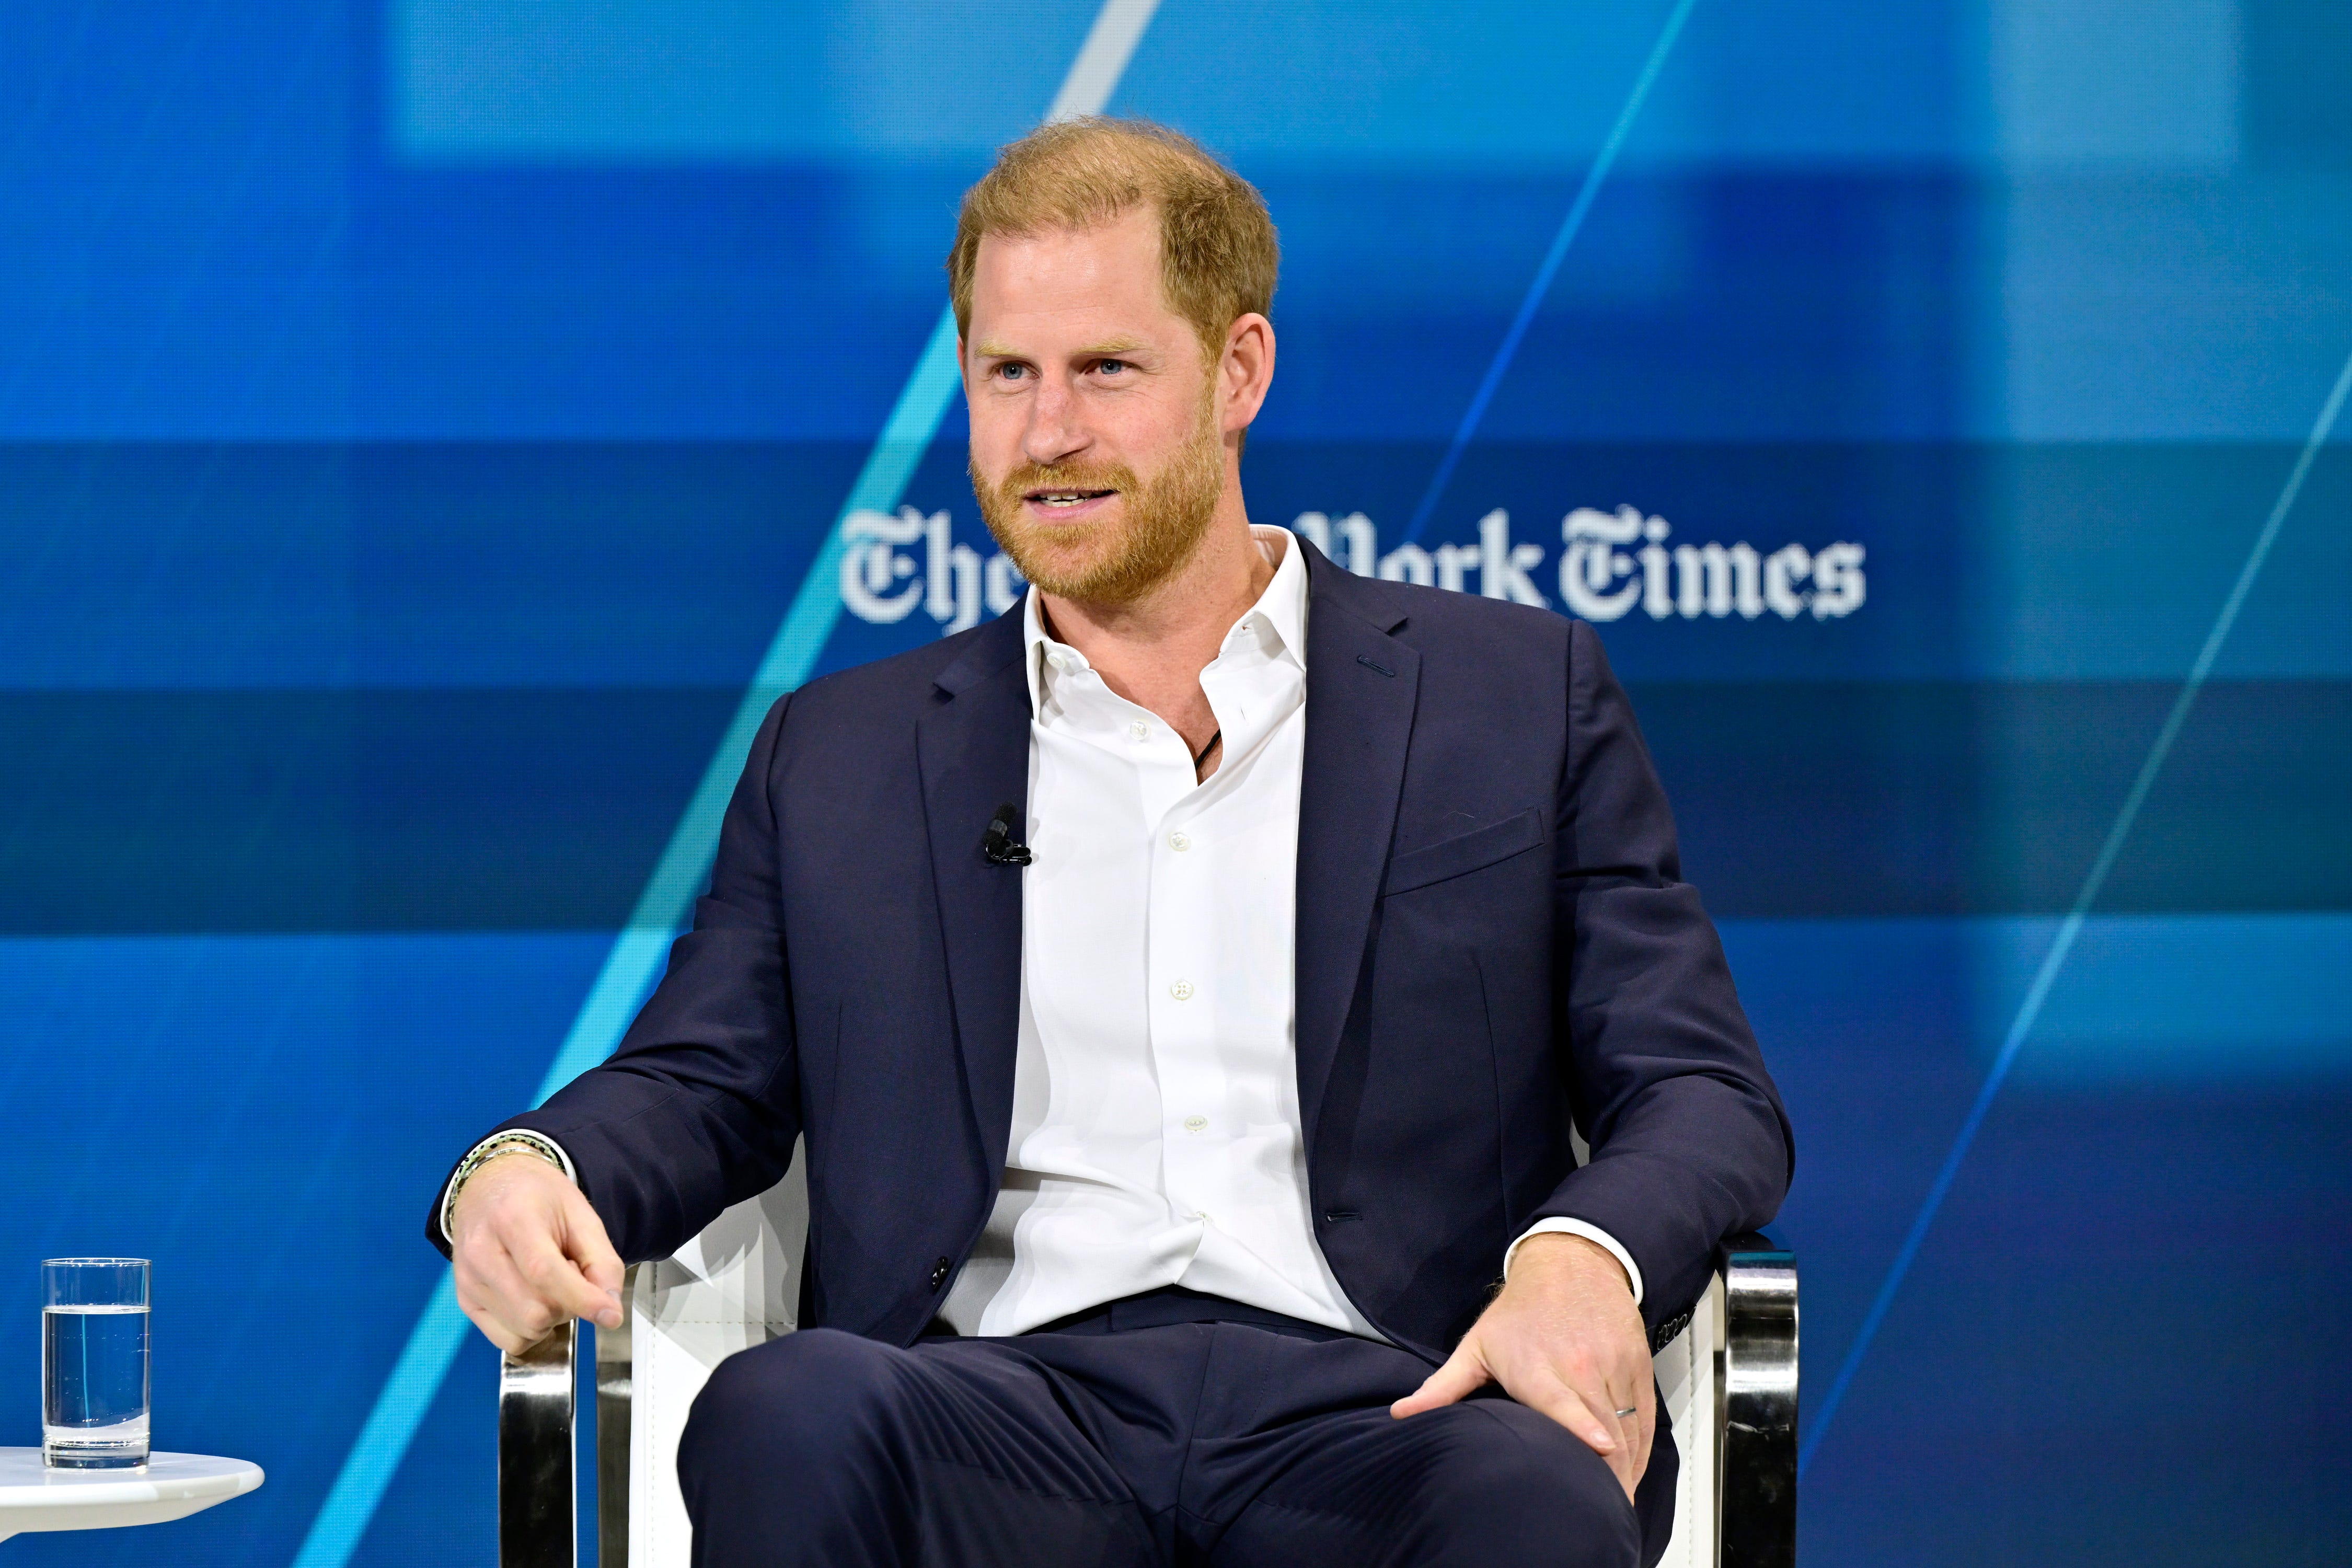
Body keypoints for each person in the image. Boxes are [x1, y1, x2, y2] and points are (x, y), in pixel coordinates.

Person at [429, 118, 1790, 1568]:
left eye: (1105, 371)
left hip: (1394, 1406)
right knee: (791, 1410)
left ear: (1238, 372)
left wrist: (1578, 1261)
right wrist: (529, 1166)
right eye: (1006, 373)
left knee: (1526, 1495)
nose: (1047, 433)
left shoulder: (1511, 699)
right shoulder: (843, 752)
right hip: (1001, 1405)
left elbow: (1701, 1090)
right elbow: (704, 1077)